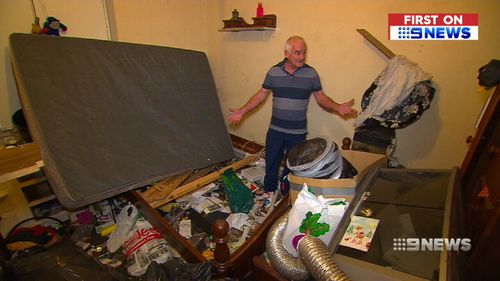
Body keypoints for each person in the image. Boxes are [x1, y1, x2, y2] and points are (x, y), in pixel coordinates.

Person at [228, 35, 358, 194]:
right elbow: (261, 95)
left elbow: (321, 98)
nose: (301, 56)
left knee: (293, 166)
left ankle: (286, 194)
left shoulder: (311, 74)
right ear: (286, 53)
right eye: (297, 53)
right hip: (275, 130)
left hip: (297, 133)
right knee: (271, 162)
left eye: (304, 52)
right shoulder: (274, 72)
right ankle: (269, 191)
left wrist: (337, 107)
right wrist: (242, 110)